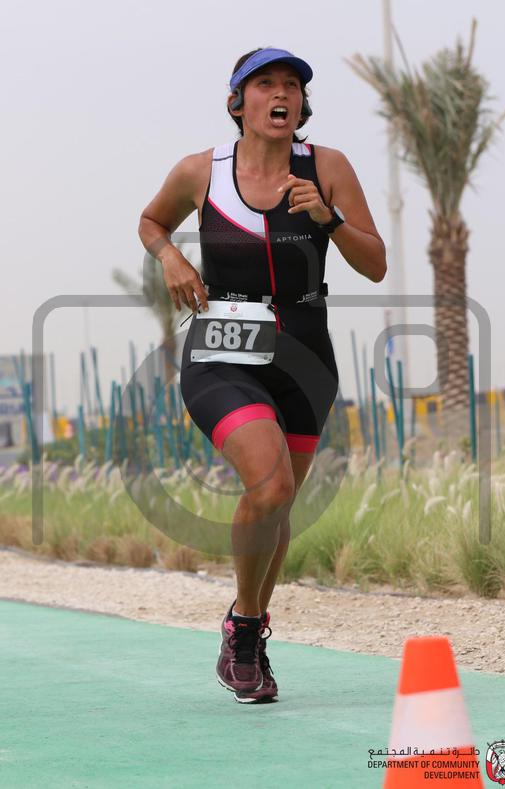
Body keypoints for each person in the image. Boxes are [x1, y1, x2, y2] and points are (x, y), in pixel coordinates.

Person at [138, 46, 386, 704]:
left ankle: (244, 625)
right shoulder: (202, 170)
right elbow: (151, 220)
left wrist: (328, 218)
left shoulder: (327, 168)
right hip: (222, 349)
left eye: (293, 86)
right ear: (237, 102)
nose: (282, 93)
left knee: (278, 506)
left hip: (305, 356)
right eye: (266, 83)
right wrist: (171, 258)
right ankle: (245, 632)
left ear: (302, 105)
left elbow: (376, 264)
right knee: (269, 483)